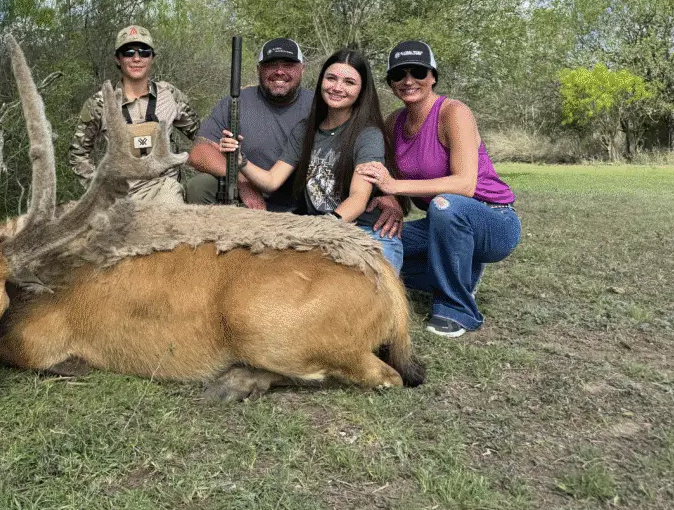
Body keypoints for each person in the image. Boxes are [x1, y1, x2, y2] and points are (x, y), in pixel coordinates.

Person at [355, 41, 520, 338]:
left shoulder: (454, 113)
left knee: (446, 203)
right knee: (378, 248)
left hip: (493, 221)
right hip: (439, 224)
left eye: (418, 71)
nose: (408, 81)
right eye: (398, 74)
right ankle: (463, 271)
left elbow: (465, 183)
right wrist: (390, 198)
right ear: (390, 83)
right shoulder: (394, 122)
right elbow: (386, 174)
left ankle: (457, 310)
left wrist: (395, 186)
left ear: (432, 76)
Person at [218, 49, 404, 270]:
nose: (337, 87)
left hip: (362, 233)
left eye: (349, 82)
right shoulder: (305, 129)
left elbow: (358, 198)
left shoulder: (369, 134)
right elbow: (271, 180)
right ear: (321, 81)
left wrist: (320, 228)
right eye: (331, 78)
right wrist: (241, 160)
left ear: (362, 90)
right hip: (316, 232)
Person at [68, 25, 200, 205]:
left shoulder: (169, 95)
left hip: (163, 190)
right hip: (120, 194)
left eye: (144, 52)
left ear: (152, 57)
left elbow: (200, 135)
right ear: (118, 58)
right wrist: (96, 188)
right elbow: (78, 153)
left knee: (170, 225)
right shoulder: (100, 103)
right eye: (128, 52)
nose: (136, 58)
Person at [185, 38, 313, 211]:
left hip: (299, 199)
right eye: (271, 65)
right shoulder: (235, 103)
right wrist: (242, 181)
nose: (280, 71)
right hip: (246, 198)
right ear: (258, 70)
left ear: (302, 69)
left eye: (288, 65)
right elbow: (198, 152)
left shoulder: (318, 105)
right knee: (200, 186)